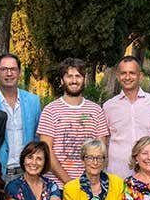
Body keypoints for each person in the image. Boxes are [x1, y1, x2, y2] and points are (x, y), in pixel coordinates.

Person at [37, 57, 110, 185]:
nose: (74, 80)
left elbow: (101, 150)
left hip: (89, 185)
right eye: (69, 76)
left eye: (78, 76)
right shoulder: (50, 110)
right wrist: (69, 182)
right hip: (56, 186)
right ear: (61, 81)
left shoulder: (96, 110)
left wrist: (86, 182)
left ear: (84, 80)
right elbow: (46, 150)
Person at [102, 55, 150, 180]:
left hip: (149, 175)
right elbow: (104, 142)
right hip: (117, 176)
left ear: (140, 76)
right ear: (118, 76)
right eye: (123, 73)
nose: (127, 77)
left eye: (132, 73)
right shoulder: (108, 106)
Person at [0, 53, 43, 182]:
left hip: (27, 172)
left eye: (13, 69)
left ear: (19, 72)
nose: (9, 73)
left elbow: (37, 137)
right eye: (4, 69)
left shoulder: (33, 101)